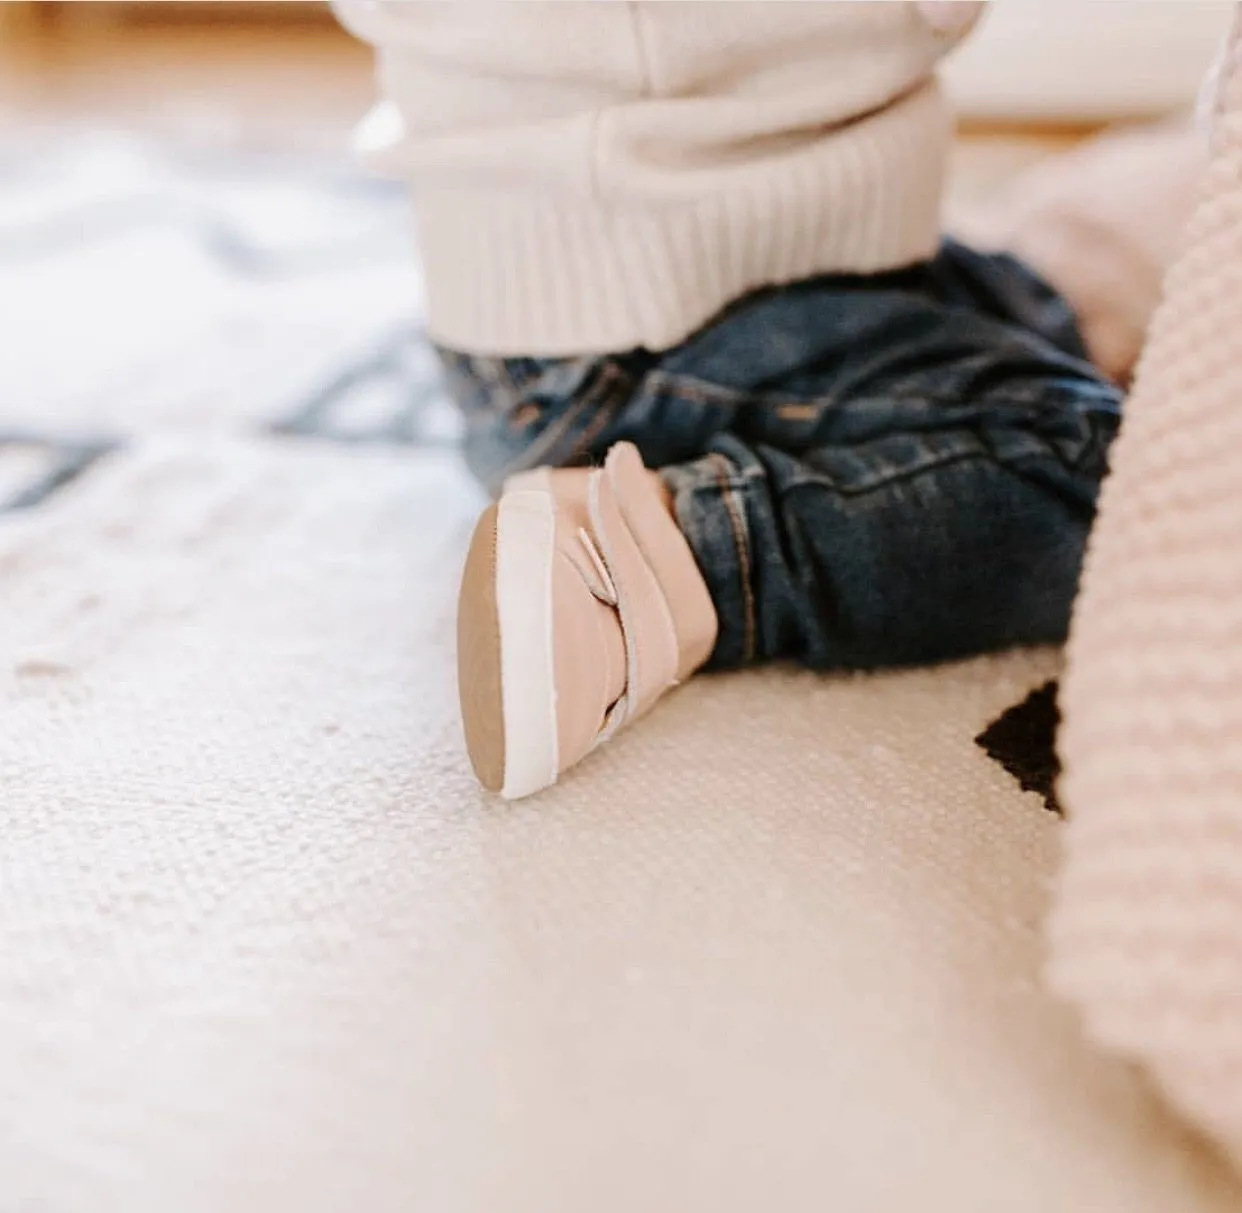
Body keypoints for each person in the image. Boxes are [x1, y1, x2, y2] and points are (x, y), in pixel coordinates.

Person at [336, 1, 1144, 800]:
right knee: (1108, 472)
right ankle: (655, 563)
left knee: (1035, 314)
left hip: (516, 316)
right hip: (676, 313)